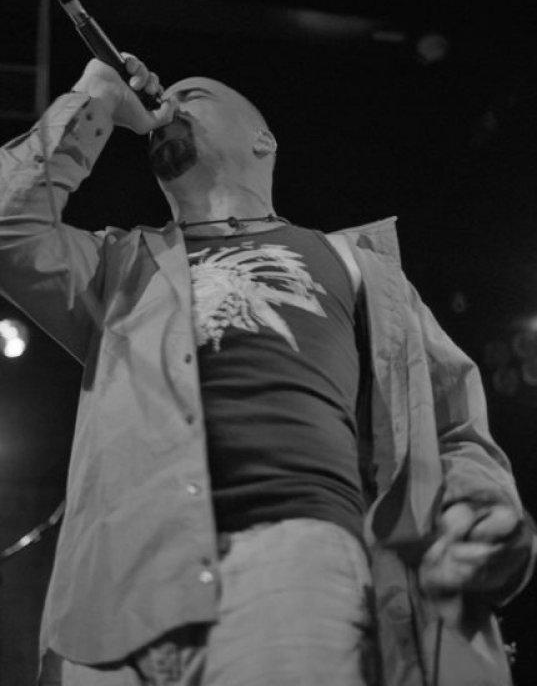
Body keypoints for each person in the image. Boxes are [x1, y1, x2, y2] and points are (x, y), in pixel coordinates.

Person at [0, 54, 535, 686]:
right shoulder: (117, 262)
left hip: (293, 568)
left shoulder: (359, 266)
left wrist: (481, 511)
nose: (166, 103)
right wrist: (93, 98)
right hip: (117, 595)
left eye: (192, 95)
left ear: (263, 139)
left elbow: (452, 425)